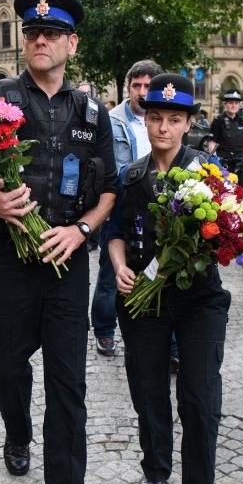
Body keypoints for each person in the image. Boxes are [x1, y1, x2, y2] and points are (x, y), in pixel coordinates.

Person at [0, 0, 117, 484]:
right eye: (32, 31)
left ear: (71, 44)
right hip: (6, 258)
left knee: (68, 382)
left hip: (65, 264)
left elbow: (107, 192)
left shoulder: (92, 112)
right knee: (4, 360)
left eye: (52, 33)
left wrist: (80, 231)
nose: (40, 39)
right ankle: (17, 428)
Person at [108, 73, 230, 484]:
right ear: (145, 118)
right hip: (144, 298)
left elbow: (229, 238)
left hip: (200, 300)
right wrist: (119, 266)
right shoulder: (132, 176)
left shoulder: (207, 174)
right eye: (155, 117)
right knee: (148, 389)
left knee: (200, 398)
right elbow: (115, 232)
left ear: (188, 123)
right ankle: (156, 467)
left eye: (173, 120)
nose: (162, 128)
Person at [92, 59, 163, 357]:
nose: (142, 92)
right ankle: (105, 330)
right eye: (137, 86)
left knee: (159, 271)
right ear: (128, 88)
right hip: (121, 205)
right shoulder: (112, 119)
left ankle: (162, 338)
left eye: (148, 86)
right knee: (111, 273)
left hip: (158, 209)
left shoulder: (165, 117)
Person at [207, 90, 243, 189]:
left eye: (236, 103)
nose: (233, 105)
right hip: (224, 164)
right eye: (231, 103)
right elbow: (212, 142)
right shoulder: (218, 121)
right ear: (225, 104)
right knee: (226, 192)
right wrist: (215, 162)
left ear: (239, 105)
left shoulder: (242, 120)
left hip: (241, 163)